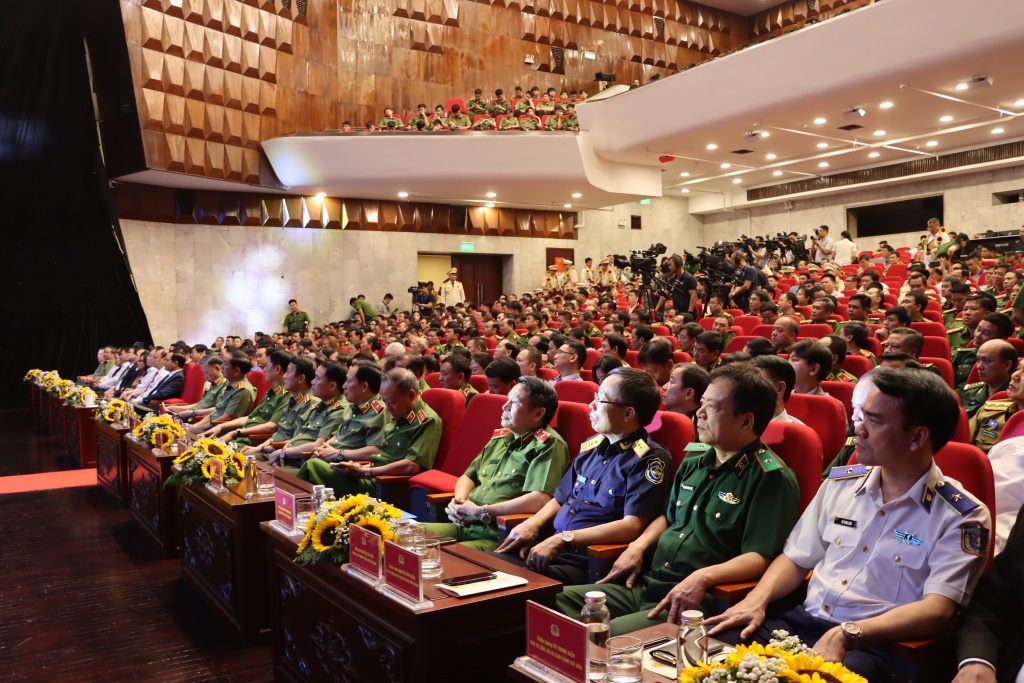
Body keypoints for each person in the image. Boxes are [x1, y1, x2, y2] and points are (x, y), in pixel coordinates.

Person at [706, 368, 991, 683]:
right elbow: (796, 558)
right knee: (705, 647)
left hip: (876, 647)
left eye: (875, 421)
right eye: (861, 417)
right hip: (801, 624)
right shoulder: (842, 484)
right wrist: (755, 600)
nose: (859, 430)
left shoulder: (961, 516)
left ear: (918, 437)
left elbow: (938, 611)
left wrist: (850, 633)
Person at [555, 364, 800, 634]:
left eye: (712, 407)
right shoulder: (695, 459)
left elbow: (761, 556)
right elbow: (668, 517)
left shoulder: (771, 477)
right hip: (648, 583)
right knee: (550, 603)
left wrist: (703, 577)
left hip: (694, 601)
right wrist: (639, 545)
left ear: (746, 421)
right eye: (702, 404)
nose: (700, 413)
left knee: (597, 635)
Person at [492, 368, 672, 584]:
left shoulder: (648, 459)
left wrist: (565, 539)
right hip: (548, 550)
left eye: (601, 400)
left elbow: (632, 525)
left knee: (499, 589)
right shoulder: (592, 447)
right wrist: (534, 522)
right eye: (594, 397)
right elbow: (561, 498)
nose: (592, 405)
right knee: (481, 569)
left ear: (628, 413)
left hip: (588, 563)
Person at [423, 377, 570, 551]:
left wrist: (481, 512)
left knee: (438, 556)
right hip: (464, 525)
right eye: (507, 399)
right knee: (400, 535)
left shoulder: (548, 445)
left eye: (513, 403)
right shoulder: (502, 437)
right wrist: (460, 502)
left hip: (498, 535)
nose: (504, 406)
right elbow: (468, 476)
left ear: (537, 414)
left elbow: (540, 500)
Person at [328, 368, 442, 496]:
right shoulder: (399, 414)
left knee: (313, 467)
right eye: (385, 401)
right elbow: (384, 457)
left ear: (410, 395)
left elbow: (411, 465)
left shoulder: (426, 420)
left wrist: (367, 472)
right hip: (370, 474)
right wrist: (360, 468)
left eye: (392, 402)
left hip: (385, 485)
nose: (387, 408)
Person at [294, 362, 390, 492]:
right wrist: (323, 448)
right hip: (332, 464)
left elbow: (374, 451)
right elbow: (337, 436)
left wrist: (337, 454)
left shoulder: (379, 412)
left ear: (364, 386)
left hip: (351, 471)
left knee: (311, 467)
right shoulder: (351, 407)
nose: (344, 386)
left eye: (349, 381)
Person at [211, 349, 294, 444]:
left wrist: (236, 433)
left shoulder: (286, 394)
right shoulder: (271, 392)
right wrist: (222, 426)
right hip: (242, 436)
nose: (264, 370)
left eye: (267, 366)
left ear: (277, 369)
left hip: (253, 440)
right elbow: (249, 417)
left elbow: (272, 426)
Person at [243, 356, 320, 456]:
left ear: (301, 378)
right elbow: (278, 434)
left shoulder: (311, 404)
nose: (284, 376)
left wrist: (262, 449)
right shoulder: (291, 400)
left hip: (284, 454)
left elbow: (297, 440)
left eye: (288, 372)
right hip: (272, 449)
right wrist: (258, 448)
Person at [959, 340, 1017, 420]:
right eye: (978, 360)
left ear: (1007, 365)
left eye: (986, 361)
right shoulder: (970, 392)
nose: (979, 366)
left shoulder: (1016, 398)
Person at [751, 355, 805, 425]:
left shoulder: (797, 433)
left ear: (780, 389)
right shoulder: (739, 425)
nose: (748, 388)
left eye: (756, 382)